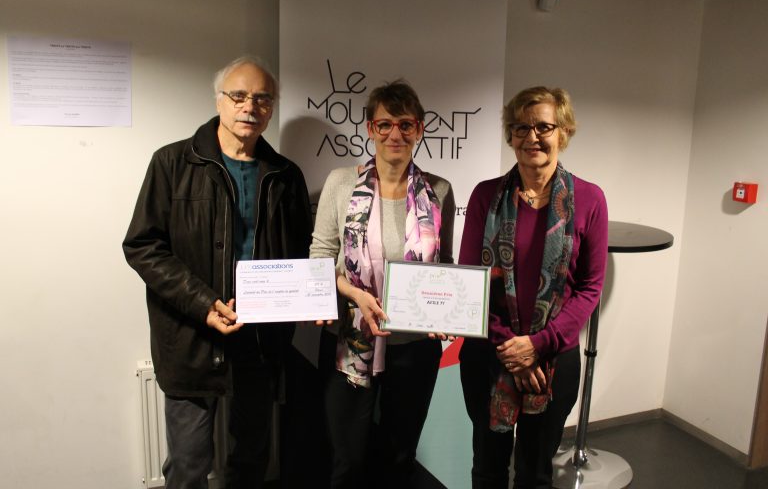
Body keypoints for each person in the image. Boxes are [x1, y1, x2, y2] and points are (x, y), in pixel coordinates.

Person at [123, 55, 312, 489]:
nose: (250, 107)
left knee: (252, 459)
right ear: (219, 100)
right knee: (189, 465)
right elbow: (143, 246)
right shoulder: (172, 163)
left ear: (272, 107)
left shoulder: (286, 175)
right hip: (192, 337)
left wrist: (309, 298)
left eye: (263, 98)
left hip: (260, 339)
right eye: (239, 95)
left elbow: (302, 251)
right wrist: (203, 303)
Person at [458, 86, 608, 489]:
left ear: (564, 132)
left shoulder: (590, 200)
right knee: (487, 468)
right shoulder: (485, 196)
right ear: (510, 135)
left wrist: (538, 345)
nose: (532, 137)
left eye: (544, 127)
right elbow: (470, 280)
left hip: (554, 360)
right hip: (489, 354)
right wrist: (514, 351)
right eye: (521, 127)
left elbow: (590, 287)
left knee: (536, 474)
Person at [309, 79, 455, 488]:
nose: (395, 134)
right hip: (351, 339)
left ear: (419, 129)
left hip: (414, 346)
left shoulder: (439, 191)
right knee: (347, 461)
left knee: (399, 457)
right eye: (385, 124)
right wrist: (355, 294)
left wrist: (448, 310)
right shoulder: (341, 183)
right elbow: (320, 259)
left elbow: (443, 265)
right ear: (370, 129)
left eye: (406, 125)